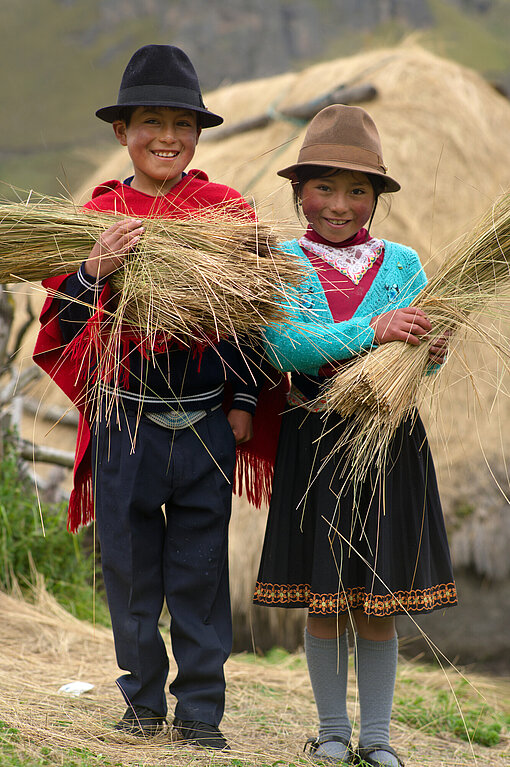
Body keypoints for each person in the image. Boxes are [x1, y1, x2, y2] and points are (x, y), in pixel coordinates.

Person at [34, 44, 266, 750]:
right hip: (124, 422)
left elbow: (258, 314)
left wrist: (246, 400)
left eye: (181, 124)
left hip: (204, 424)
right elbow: (61, 324)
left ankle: (200, 712)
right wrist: (92, 269)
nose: (166, 137)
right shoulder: (97, 217)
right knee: (130, 571)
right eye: (150, 122)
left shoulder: (228, 214)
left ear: (199, 135)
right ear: (121, 131)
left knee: (198, 572)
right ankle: (140, 702)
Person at [253, 105, 456, 767]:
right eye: (324, 188)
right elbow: (286, 344)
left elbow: (419, 352)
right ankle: (333, 731)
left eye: (357, 191)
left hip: (388, 443)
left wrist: (434, 347)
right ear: (299, 190)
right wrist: (375, 330)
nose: (339, 205)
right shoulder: (281, 262)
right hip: (314, 439)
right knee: (324, 599)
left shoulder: (404, 265)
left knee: (377, 602)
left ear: (375, 198)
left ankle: (377, 738)